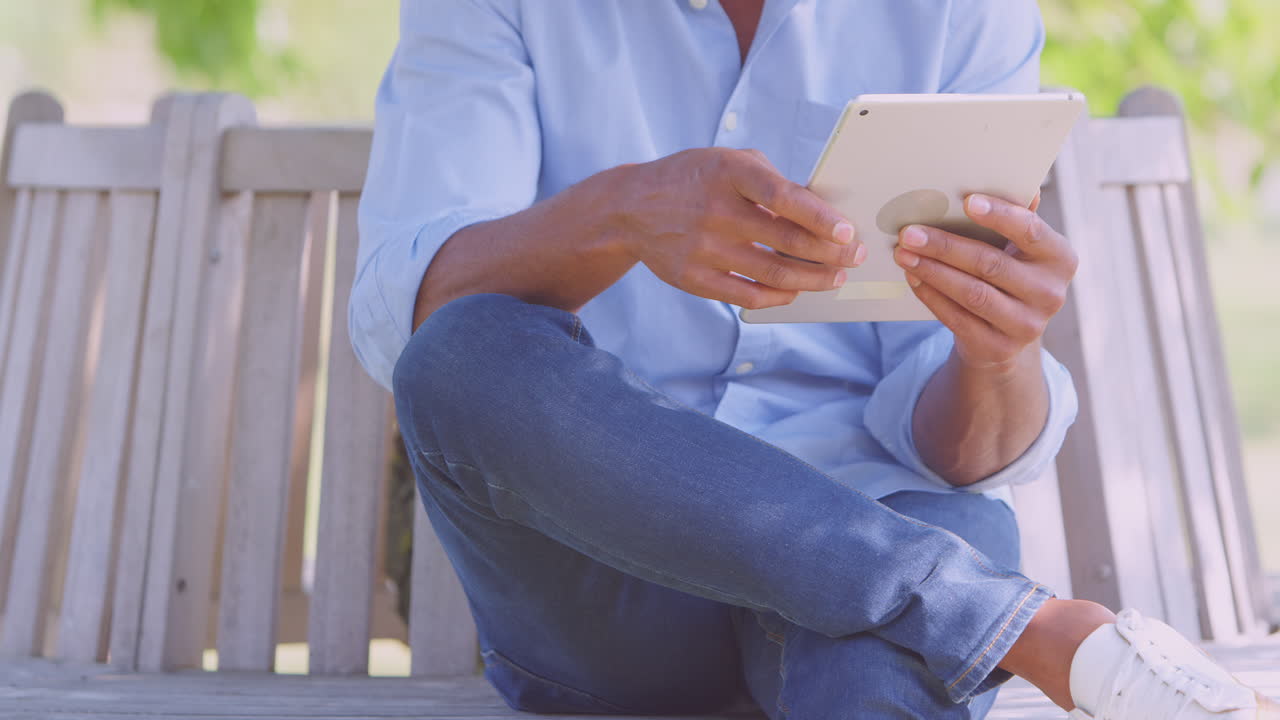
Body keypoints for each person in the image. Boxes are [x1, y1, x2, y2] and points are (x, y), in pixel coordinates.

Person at [353, 1, 1276, 718]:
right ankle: (1023, 625)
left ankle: (980, 615)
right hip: (602, 595)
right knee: (458, 353)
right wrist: (620, 213)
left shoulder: (961, 11)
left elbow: (951, 448)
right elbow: (405, 307)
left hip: (875, 537)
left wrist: (1000, 355)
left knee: (888, 659)